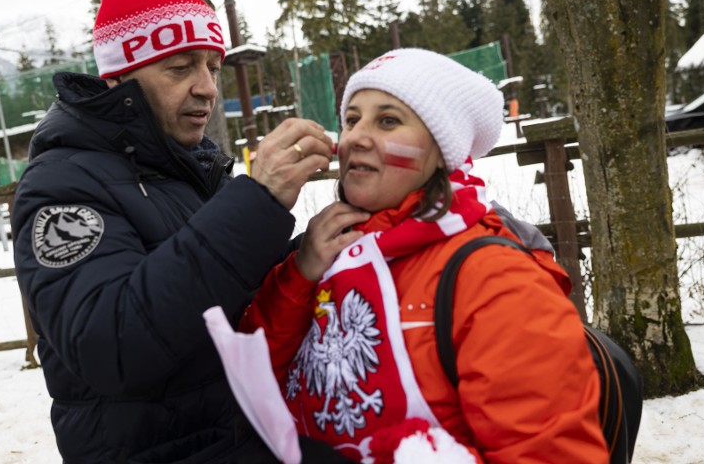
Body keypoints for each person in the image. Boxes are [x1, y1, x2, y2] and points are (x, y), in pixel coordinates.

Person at [11, 0, 339, 463]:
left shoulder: (189, 170)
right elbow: (110, 343)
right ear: (120, 76)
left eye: (212, 65)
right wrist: (256, 205)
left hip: (239, 436)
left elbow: (227, 296)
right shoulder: (60, 186)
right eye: (180, 67)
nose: (208, 87)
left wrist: (308, 255)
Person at [239, 48, 609, 462]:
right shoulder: (328, 251)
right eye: (352, 119)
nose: (356, 136)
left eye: (388, 120)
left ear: (441, 150)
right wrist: (301, 274)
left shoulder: (495, 277)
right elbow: (252, 381)